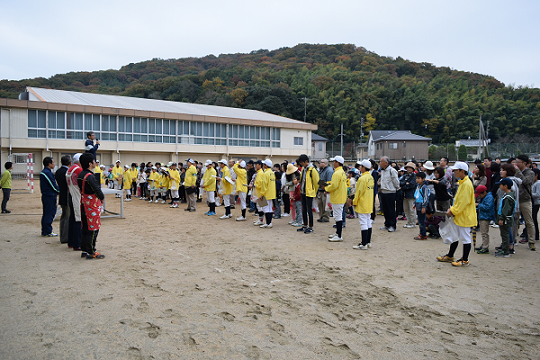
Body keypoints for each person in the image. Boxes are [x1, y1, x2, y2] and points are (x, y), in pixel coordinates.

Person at [437, 161, 477, 267]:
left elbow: (463, 202)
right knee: (454, 236)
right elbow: (459, 201)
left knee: (465, 238)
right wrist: (453, 209)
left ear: (462, 171)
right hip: (460, 215)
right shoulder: (463, 182)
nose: (453, 171)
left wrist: (453, 210)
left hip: (464, 216)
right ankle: (450, 255)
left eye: (455, 170)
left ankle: (465, 259)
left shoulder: (467, 184)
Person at [77, 153, 105, 259]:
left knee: (85, 227)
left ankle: (84, 249)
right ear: (90, 163)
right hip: (92, 205)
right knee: (93, 228)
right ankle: (91, 251)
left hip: (84, 203)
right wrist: (101, 197)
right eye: (94, 161)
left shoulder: (81, 175)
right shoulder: (90, 176)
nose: (95, 162)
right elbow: (97, 190)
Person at [515, 155, 536, 251]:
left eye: (518, 162)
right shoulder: (515, 172)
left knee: (529, 221)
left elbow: (525, 181)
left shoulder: (530, 173)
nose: (516, 164)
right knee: (514, 220)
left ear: (524, 163)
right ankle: (513, 239)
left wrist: (518, 172)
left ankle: (531, 241)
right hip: (516, 199)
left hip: (525, 200)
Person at [352, 160, 375, 249]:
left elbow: (359, 192)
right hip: (369, 202)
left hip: (362, 203)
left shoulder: (362, 178)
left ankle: (363, 244)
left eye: (361, 166)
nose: (359, 168)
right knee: (368, 221)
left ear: (364, 167)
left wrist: (354, 201)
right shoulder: (370, 177)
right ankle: (368, 242)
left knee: (363, 223)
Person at [325, 156, 348, 242]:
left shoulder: (337, 173)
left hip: (337, 197)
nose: (333, 163)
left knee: (338, 217)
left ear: (337, 162)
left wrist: (326, 188)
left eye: (334, 161)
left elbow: (334, 186)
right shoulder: (342, 172)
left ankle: (339, 235)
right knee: (338, 216)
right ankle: (338, 233)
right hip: (340, 196)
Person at [296, 154, 320, 234]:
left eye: (302, 163)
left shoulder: (312, 170)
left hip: (309, 193)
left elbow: (316, 182)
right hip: (303, 191)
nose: (301, 164)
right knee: (304, 209)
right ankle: (305, 225)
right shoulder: (304, 169)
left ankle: (311, 226)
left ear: (306, 161)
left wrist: (314, 191)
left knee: (309, 210)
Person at [495, 178, 516, 258]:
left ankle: (506, 251)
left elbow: (506, 209)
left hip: (505, 219)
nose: (500, 186)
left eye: (501, 185)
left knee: (505, 234)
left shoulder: (508, 197)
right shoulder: (510, 195)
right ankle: (504, 249)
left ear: (505, 186)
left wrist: (502, 218)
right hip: (507, 218)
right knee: (505, 234)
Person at [66, 154, 83, 250]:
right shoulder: (78, 170)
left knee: (72, 219)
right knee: (78, 220)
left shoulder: (70, 169)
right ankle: (77, 244)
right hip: (77, 197)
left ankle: (71, 242)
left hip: (71, 195)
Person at [40, 156, 60, 237]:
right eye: (53, 162)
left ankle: (45, 231)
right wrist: (60, 191)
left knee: (46, 213)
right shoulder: (47, 173)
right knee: (49, 213)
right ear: (49, 164)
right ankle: (47, 231)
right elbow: (53, 185)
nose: (54, 164)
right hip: (49, 196)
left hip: (48, 195)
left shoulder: (46, 172)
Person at [379, 156, 399, 232]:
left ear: (386, 163)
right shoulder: (383, 171)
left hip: (390, 192)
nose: (380, 163)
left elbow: (396, 181)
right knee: (385, 210)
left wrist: (397, 188)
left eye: (381, 162)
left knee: (391, 210)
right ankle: (387, 224)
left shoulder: (392, 170)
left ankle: (393, 225)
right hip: (383, 192)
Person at [55, 155, 72, 244]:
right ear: (70, 163)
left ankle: (62, 236)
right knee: (67, 217)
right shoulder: (68, 172)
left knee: (63, 217)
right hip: (67, 197)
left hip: (61, 195)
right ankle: (65, 237)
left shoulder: (58, 171)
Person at [475, 185, 495, 254]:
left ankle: (485, 247)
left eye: (480, 194)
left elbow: (487, 207)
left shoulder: (489, 197)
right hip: (483, 216)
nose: (479, 196)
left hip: (486, 217)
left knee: (484, 233)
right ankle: (483, 245)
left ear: (484, 192)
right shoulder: (486, 197)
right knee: (483, 232)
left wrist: (478, 205)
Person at [258, 159, 276, 228]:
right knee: (269, 209)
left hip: (266, 193)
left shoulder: (266, 174)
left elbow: (264, 185)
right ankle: (269, 223)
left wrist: (262, 194)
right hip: (271, 193)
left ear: (265, 165)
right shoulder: (272, 173)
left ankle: (267, 223)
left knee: (266, 209)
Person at [401, 162, 417, 229]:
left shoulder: (414, 176)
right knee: (406, 209)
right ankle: (409, 222)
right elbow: (400, 183)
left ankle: (413, 223)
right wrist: (406, 184)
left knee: (411, 209)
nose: (409, 169)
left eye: (410, 168)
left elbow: (412, 185)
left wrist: (404, 186)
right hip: (404, 195)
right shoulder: (404, 176)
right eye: (407, 167)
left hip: (411, 195)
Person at [413, 172, 429, 240]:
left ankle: (423, 235)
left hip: (422, 206)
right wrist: (414, 204)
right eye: (416, 178)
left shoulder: (424, 187)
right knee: (419, 221)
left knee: (421, 221)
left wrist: (423, 207)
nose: (417, 180)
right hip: (418, 205)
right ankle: (421, 233)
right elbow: (417, 197)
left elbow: (425, 198)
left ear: (423, 179)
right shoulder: (418, 186)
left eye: (419, 178)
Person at [532, 169, 540, 244]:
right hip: (534, 203)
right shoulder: (535, 183)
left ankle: (536, 235)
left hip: (536, 203)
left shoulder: (538, 183)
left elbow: (538, 194)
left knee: (533, 218)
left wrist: (530, 193)